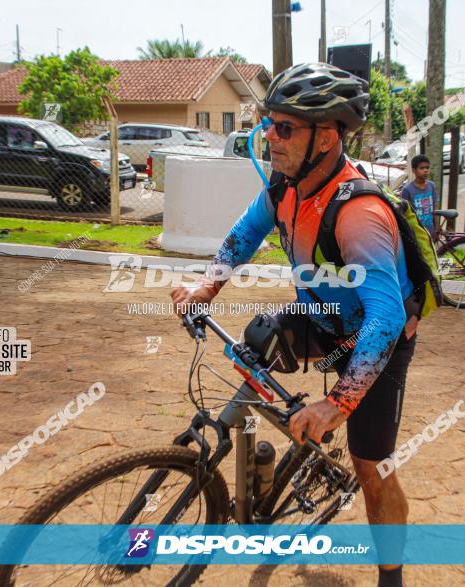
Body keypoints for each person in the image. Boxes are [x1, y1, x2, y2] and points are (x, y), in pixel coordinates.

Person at [171, 63, 417, 587]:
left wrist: (336, 404)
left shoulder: (360, 213)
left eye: (285, 128)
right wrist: (206, 287)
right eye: (269, 123)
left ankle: (391, 576)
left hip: (378, 340)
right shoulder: (285, 187)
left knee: (371, 465)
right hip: (324, 319)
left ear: (325, 138)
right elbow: (244, 234)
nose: (270, 138)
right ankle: (267, 460)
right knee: (255, 343)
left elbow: (387, 316)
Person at [400, 154, 437, 233]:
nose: (425, 170)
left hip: (430, 228)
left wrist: (436, 227)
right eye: (422, 168)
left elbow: (434, 208)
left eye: (427, 168)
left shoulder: (431, 186)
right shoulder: (407, 190)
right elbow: (404, 214)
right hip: (416, 230)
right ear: (414, 170)